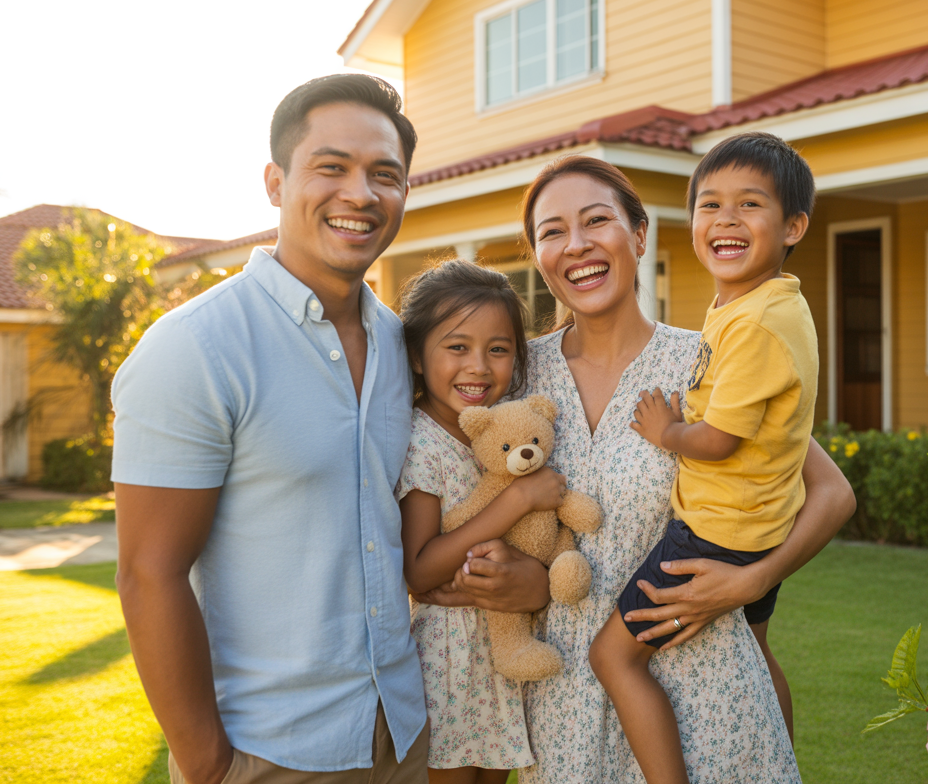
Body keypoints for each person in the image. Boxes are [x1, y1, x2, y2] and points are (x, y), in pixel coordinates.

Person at [418, 155, 855, 784]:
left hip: (702, 696)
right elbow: (459, 504)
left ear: (639, 235)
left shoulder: (703, 361)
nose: (576, 245)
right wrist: (512, 580)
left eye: (596, 220)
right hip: (564, 710)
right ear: (538, 253)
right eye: (551, 231)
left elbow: (832, 493)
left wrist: (753, 581)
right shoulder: (512, 377)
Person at [111, 74, 445, 784]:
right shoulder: (196, 348)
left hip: (404, 736)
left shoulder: (400, 346)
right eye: (332, 167)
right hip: (267, 754)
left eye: (385, 174)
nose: (360, 194)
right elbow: (148, 574)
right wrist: (208, 766)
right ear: (275, 181)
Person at [588, 132, 818, 784]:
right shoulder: (748, 306)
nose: (725, 219)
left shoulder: (756, 324)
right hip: (754, 527)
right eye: (710, 205)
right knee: (757, 648)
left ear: (794, 225)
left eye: (749, 205)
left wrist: (668, 432)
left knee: (614, 657)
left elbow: (718, 439)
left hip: (713, 538)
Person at [394, 259, 566, 784]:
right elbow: (421, 573)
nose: (479, 367)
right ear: (419, 357)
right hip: (446, 667)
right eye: (456, 347)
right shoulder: (421, 442)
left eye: (498, 349)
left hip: (499, 659)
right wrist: (514, 503)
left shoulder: (508, 431)